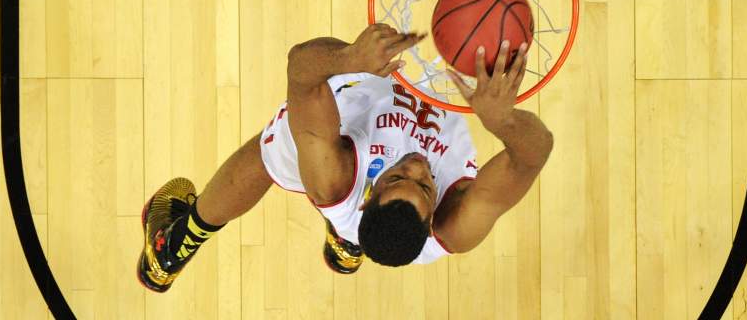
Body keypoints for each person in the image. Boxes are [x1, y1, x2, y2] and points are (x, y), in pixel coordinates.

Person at [137, 24, 553, 292]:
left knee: (272, 152)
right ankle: (348, 242)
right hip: (371, 134)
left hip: (348, 143)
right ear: (431, 218)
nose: (415, 163)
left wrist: (347, 60)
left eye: (397, 178)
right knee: (306, 151)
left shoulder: (334, 179)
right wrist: (504, 121)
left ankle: (173, 245)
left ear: (369, 196)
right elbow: (533, 156)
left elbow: (301, 71)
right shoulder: (456, 225)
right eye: (424, 184)